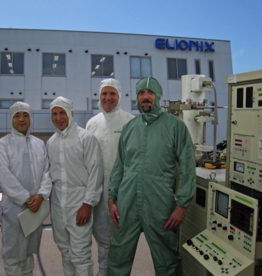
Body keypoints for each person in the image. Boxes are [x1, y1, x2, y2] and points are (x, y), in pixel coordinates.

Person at [107, 77, 196, 276]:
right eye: (141, 93)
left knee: (167, 260)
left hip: (160, 205)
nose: (145, 97)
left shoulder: (175, 127)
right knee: (118, 256)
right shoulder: (130, 128)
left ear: (158, 96)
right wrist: (112, 198)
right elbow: (119, 166)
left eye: (150, 92)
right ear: (137, 98)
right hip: (127, 203)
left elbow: (188, 167)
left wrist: (182, 205)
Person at [0, 101, 52, 276]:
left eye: (25, 115)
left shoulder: (39, 144)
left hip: (34, 211)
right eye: (17, 115)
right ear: (11, 119)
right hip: (14, 212)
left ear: (30, 118)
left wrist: (41, 195)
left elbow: (47, 172)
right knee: (13, 257)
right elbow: (4, 176)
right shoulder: (3, 145)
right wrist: (26, 198)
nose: (22, 119)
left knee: (28, 256)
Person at [47, 96, 104, 276]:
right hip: (57, 207)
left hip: (79, 205)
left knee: (80, 256)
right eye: (54, 114)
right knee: (65, 252)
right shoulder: (51, 142)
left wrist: (88, 204)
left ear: (71, 114)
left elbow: (96, 172)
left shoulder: (85, 138)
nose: (58, 118)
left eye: (62, 113)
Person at [86, 78, 134, 276]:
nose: (108, 98)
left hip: (123, 193)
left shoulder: (130, 122)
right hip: (97, 193)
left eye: (112, 94)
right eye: (104, 93)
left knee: (121, 241)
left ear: (119, 96)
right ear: (99, 96)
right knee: (102, 240)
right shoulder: (92, 124)